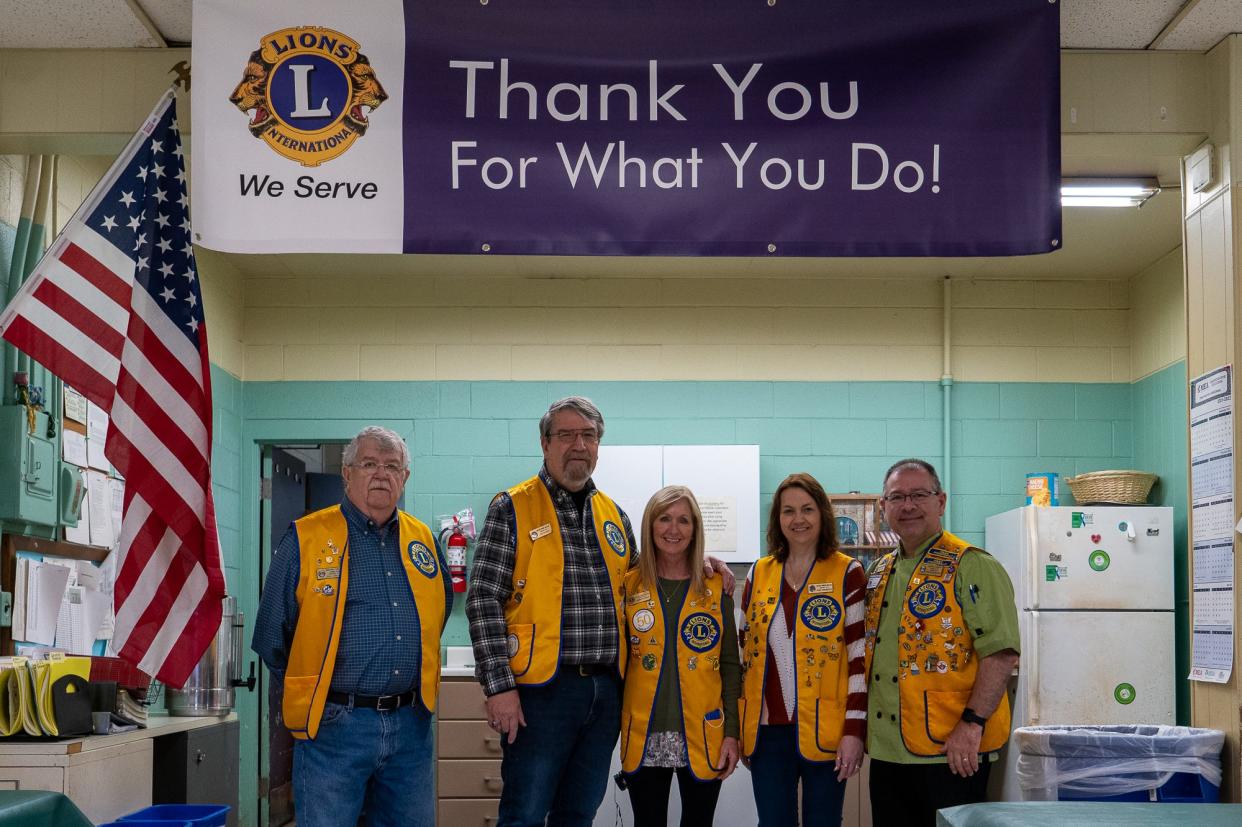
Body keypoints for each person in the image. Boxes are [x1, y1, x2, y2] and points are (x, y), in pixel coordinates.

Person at [466, 396, 733, 827]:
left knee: (579, 812)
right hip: (541, 692)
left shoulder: (614, 516)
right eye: (567, 434)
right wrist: (499, 687)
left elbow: (644, 582)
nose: (579, 444)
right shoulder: (511, 508)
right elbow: (482, 599)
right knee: (527, 812)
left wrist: (701, 562)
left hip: (606, 694)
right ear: (545, 442)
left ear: (598, 446)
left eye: (588, 436)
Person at [251, 426, 451, 827]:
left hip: (411, 726)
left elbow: (438, 611)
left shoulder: (424, 541)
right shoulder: (306, 538)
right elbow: (273, 636)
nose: (382, 474)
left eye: (393, 466)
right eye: (369, 464)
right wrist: (320, 692)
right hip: (335, 727)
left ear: (405, 478)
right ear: (347, 474)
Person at [864, 458, 1021, 826]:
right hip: (888, 750)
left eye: (919, 494)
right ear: (883, 507)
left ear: (941, 501)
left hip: (951, 749)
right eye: (897, 497)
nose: (908, 506)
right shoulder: (879, 572)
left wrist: (972, 724)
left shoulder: (973, 565)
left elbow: (1000, 654)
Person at [739, 473, 867, 827]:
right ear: (777, 519)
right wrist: (744, 729)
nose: (798, 520)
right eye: (788, 511)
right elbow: (744, 655)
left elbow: (859, 660)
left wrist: (854, 732)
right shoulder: (758, 573)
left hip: (826, 729)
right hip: (767, 734)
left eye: (807, 509)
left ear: (823, 514)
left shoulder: (847, 572)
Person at [619, 486, 741, 827]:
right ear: (649, 525)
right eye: (665, 518)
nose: (674, 529)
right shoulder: (629, 586)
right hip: (645, 732)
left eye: (684, 520)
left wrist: (732, 732)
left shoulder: (716, 588)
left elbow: (731, 667)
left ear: (695, 528)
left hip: (703, 733)